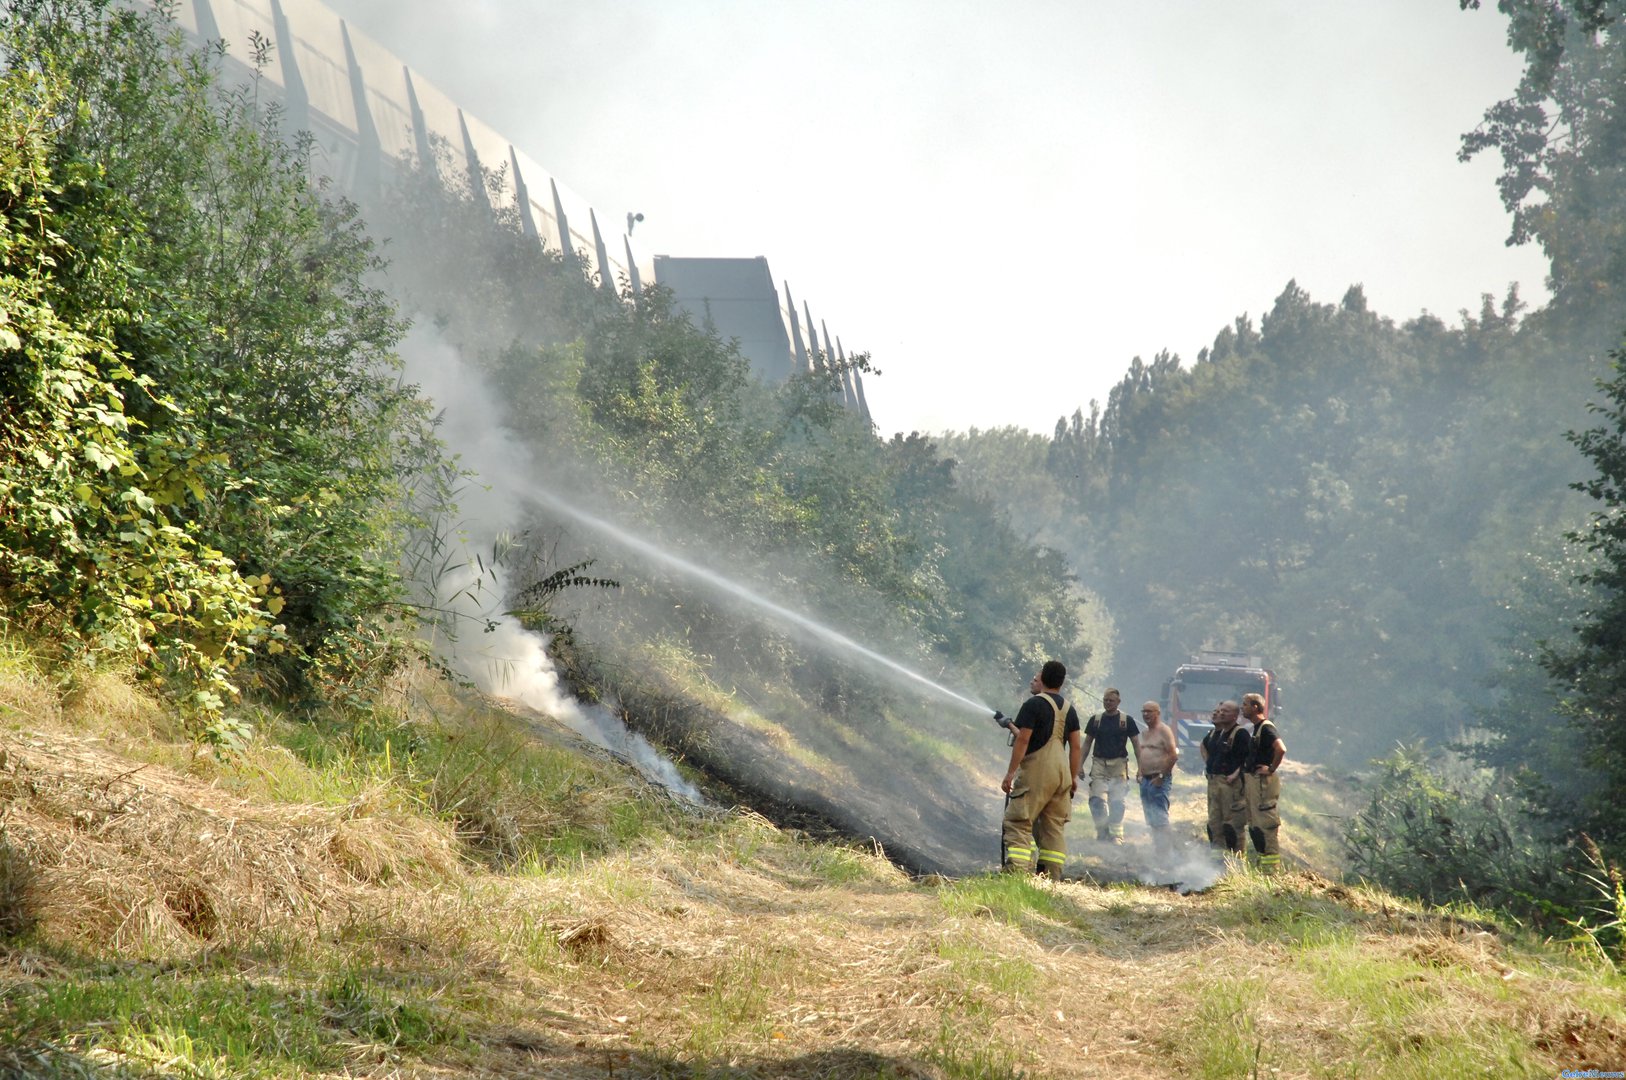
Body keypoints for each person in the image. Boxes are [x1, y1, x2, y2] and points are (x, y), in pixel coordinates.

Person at [1000, 660, 1084, 880]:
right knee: (1052, 827)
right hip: (1061, 773)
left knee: (1019, 821)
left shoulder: (1033, 704)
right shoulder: (1069, 710)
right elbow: (1076, 747)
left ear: (1044, 677)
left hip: (1038, 771)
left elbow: (1023, 740)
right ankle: (1051, 877)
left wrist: (1010, 772)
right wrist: (1072, 777)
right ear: (1062, 682)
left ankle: (1017, 873)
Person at [1081, 688, 1141, 843]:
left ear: (1118, 702)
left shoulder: (1126, 721)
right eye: (1105, 700)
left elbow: (1136, 745)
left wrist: (1141, 769)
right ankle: (1102, 832)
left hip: (1119, 766)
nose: (1108, 703)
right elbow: (1087, 744)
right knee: (1096, 801)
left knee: (1117, 803)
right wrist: (1079, 765)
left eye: (1111, 701)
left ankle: (1116, 835)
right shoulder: (1096, 720)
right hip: (1099, 764)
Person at [1241, 692, 1286, 872]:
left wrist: (1271, 768)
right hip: (1254, 783)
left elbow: (1281, 749)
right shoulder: (1256, 729)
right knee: (1255, 827)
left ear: (1255, 707)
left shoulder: (1266, 728)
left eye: (1245, 704)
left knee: (1265, 826)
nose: (1242, 708)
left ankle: (1271, 871)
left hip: (1263, 784)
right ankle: (1263, 868)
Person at [1199, 701, 1250, 853]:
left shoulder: (1240, 734)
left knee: (1232, 825)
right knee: (1214, 823)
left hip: (1231, 786)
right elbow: (1204, 745)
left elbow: (1248, 758)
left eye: (1225, 711)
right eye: (1220, 711)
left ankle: (1236, 860)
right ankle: (1218, 859)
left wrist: (1235, 774)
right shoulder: (1219, 734)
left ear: (1235, 716)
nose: (1221, 714)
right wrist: (1209, 765)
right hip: (1214, 783)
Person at [1134, 701, 1179, 868]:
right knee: (1151, 819)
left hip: (1158, 779)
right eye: (1143, 711)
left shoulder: (1164, 730)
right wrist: (1140, 771)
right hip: (1145, 780)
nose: (1146, 714)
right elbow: (1142, 754)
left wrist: (1161, 775)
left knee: (1160, 818)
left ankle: (1168, 856)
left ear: (1158, 713)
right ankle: (1159, 853)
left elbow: (1173, 755)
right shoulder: (1145, 733)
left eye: (1149, 711)